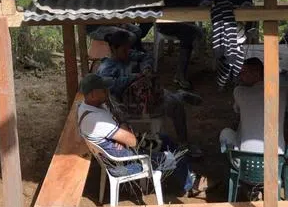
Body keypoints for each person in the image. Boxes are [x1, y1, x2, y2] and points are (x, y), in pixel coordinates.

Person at [77, 73, 205, 197]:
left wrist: (120, 135)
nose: (107, 90)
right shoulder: (96, 119)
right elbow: (132, 140)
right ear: (93, 94)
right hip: (128, 163)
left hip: (123, 150)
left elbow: (117, 115)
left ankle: (189, 178)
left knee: (164, 140)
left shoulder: (88, 106)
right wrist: (121, 125)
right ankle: (192, 184)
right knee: (175, 156)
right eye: (103, 89)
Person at [97, 29, 203, 154]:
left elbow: (147, 56)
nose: (127, 53)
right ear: (113, 49)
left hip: (147, 96)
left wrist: (146, 68)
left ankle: (184, 142)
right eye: (124, 50)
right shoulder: (106, 68)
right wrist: (135, 77)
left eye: (128, 49)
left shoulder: (129, 55)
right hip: (129, 107)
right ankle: (180, 97)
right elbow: (112, 86)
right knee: (176, 104)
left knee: (170, 100)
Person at [219, 58, 288, 154]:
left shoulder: (239, 91)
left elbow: (237, 110)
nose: (240, 76)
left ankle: (233, 161)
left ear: (256, 74)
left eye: (244, 73)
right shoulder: (282, 91)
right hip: (276, 162)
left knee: (225, 132)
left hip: (245, 161)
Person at [158, 0, 206, 89]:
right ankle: (180, 75)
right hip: (166, 23)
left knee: (188, 33)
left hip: (185, 23)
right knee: (190, 32)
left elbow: (194, 3)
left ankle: (181, 73)